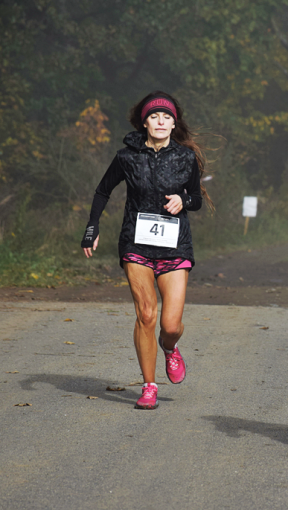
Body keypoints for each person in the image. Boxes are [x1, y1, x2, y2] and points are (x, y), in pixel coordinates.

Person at [81, 91, 212, 410]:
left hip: (174, 245)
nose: (161, 121)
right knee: (146, 314)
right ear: (145, 122)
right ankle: (149, 385)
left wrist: (184, 201)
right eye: (155, 116)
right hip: (136, 244)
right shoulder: (127, 157)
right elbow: (102, 190)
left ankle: (170, 347)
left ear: (173, 122)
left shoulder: (185, 157)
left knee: (169, 325)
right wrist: (92, 226)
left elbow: (195, 198)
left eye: (167, 117)